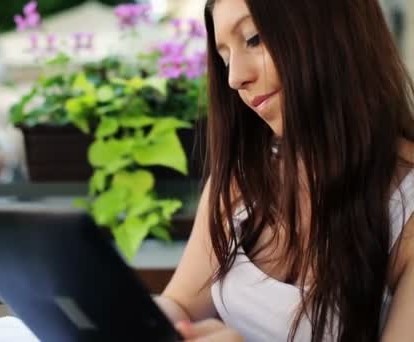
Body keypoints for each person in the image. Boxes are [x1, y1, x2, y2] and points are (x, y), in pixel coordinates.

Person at [154, 0, 414, 341]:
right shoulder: (244, 176)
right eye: (225, 58)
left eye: (253, 39)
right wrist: (133, 317)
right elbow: (182, 304)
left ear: (331, 28)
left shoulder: (405, 210)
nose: (234, 78)